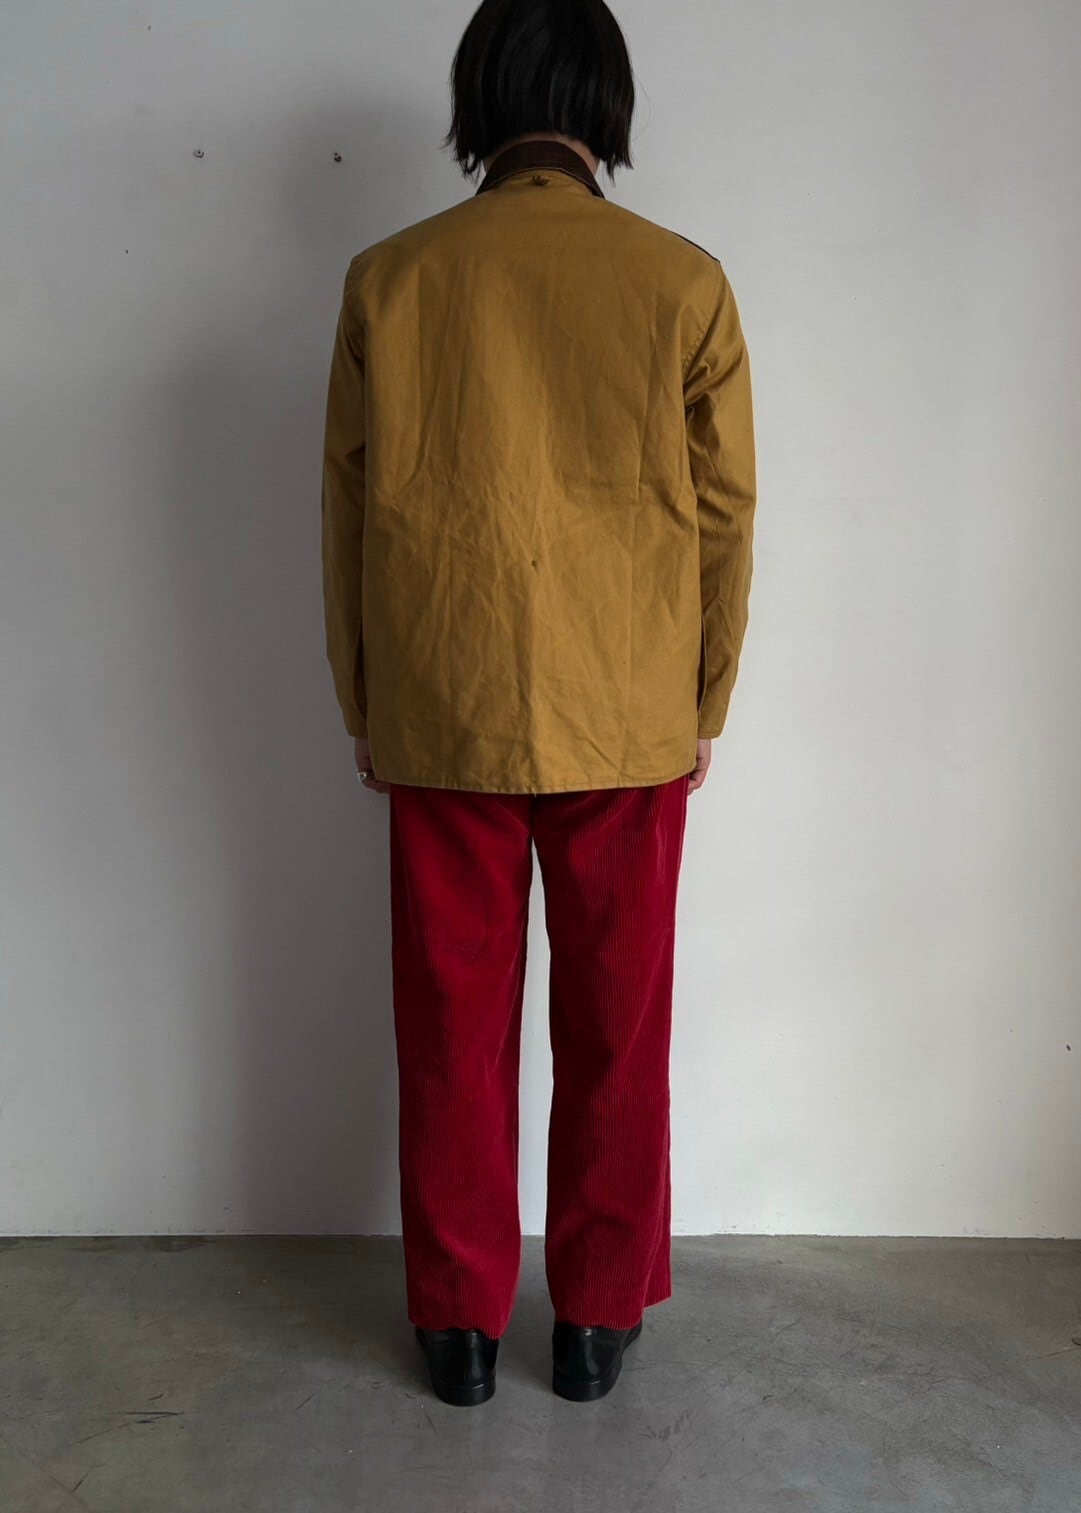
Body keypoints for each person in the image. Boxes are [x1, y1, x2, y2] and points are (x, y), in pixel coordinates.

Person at [320, 0, 756, 1407]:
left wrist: (367, 696)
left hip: (442, 697)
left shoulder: (390, 279)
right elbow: (725, 513)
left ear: (480, 102)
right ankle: (593, 1320)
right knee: (619, 1025)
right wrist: (705, 693)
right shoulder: (681, 282)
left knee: (450, 1023)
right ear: (603, 106)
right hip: (625, 704)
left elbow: (346, 510)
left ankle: (456, 1328)